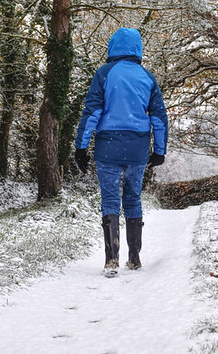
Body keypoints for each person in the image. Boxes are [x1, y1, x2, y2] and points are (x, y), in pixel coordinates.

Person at [74, 27, 168, 278]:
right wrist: (159, 150)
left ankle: (111, 259)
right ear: (137, 49)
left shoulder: (104, 74)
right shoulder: (147, 77)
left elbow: (92, 112)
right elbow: (159, 118)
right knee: (133, 198)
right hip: (137, 148)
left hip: (108, 147)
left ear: (113, 47)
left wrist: (81, 148)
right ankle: (135, 259)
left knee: (110, 200)